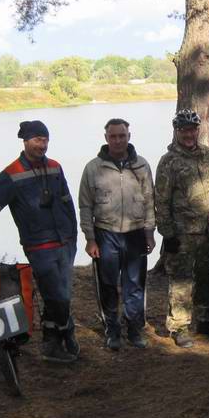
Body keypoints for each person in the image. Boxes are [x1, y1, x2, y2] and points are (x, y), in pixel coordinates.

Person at [0, 120, 78, 364]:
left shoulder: (55, 167)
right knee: (56, 294)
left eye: (45, 140)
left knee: (63, 293)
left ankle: (61, 334)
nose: (42, 145)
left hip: (64, 242)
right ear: (25, 141)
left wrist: (74, 235)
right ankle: (54, 341)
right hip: (39, 246)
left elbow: (67, 202)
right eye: (37, 140)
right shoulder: (12, 174)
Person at [79, 118, 155, 351]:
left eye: (122, 136)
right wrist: (90, 238)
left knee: (134, 284)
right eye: (113, 136)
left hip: (135, 234)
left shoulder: (141, 165)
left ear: (129, 137)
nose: (118, 140)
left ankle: (134, 328)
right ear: (106, 138)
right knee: (108, 284)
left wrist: (150, 233)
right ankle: (112, 328)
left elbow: (151, 202)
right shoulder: (93, 168)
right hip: (106, 234)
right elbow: (85, 206)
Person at [154, 108, 209, 348]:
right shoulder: (169, 162)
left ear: (198, 130)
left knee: (207, 278)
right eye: (184, 130)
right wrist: (167, 233)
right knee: (181, 281)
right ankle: (179, 327)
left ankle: (205, 320)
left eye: (192, 129)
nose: (189, 134)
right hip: (182, 234)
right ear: (177, 131)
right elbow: (160, 200)